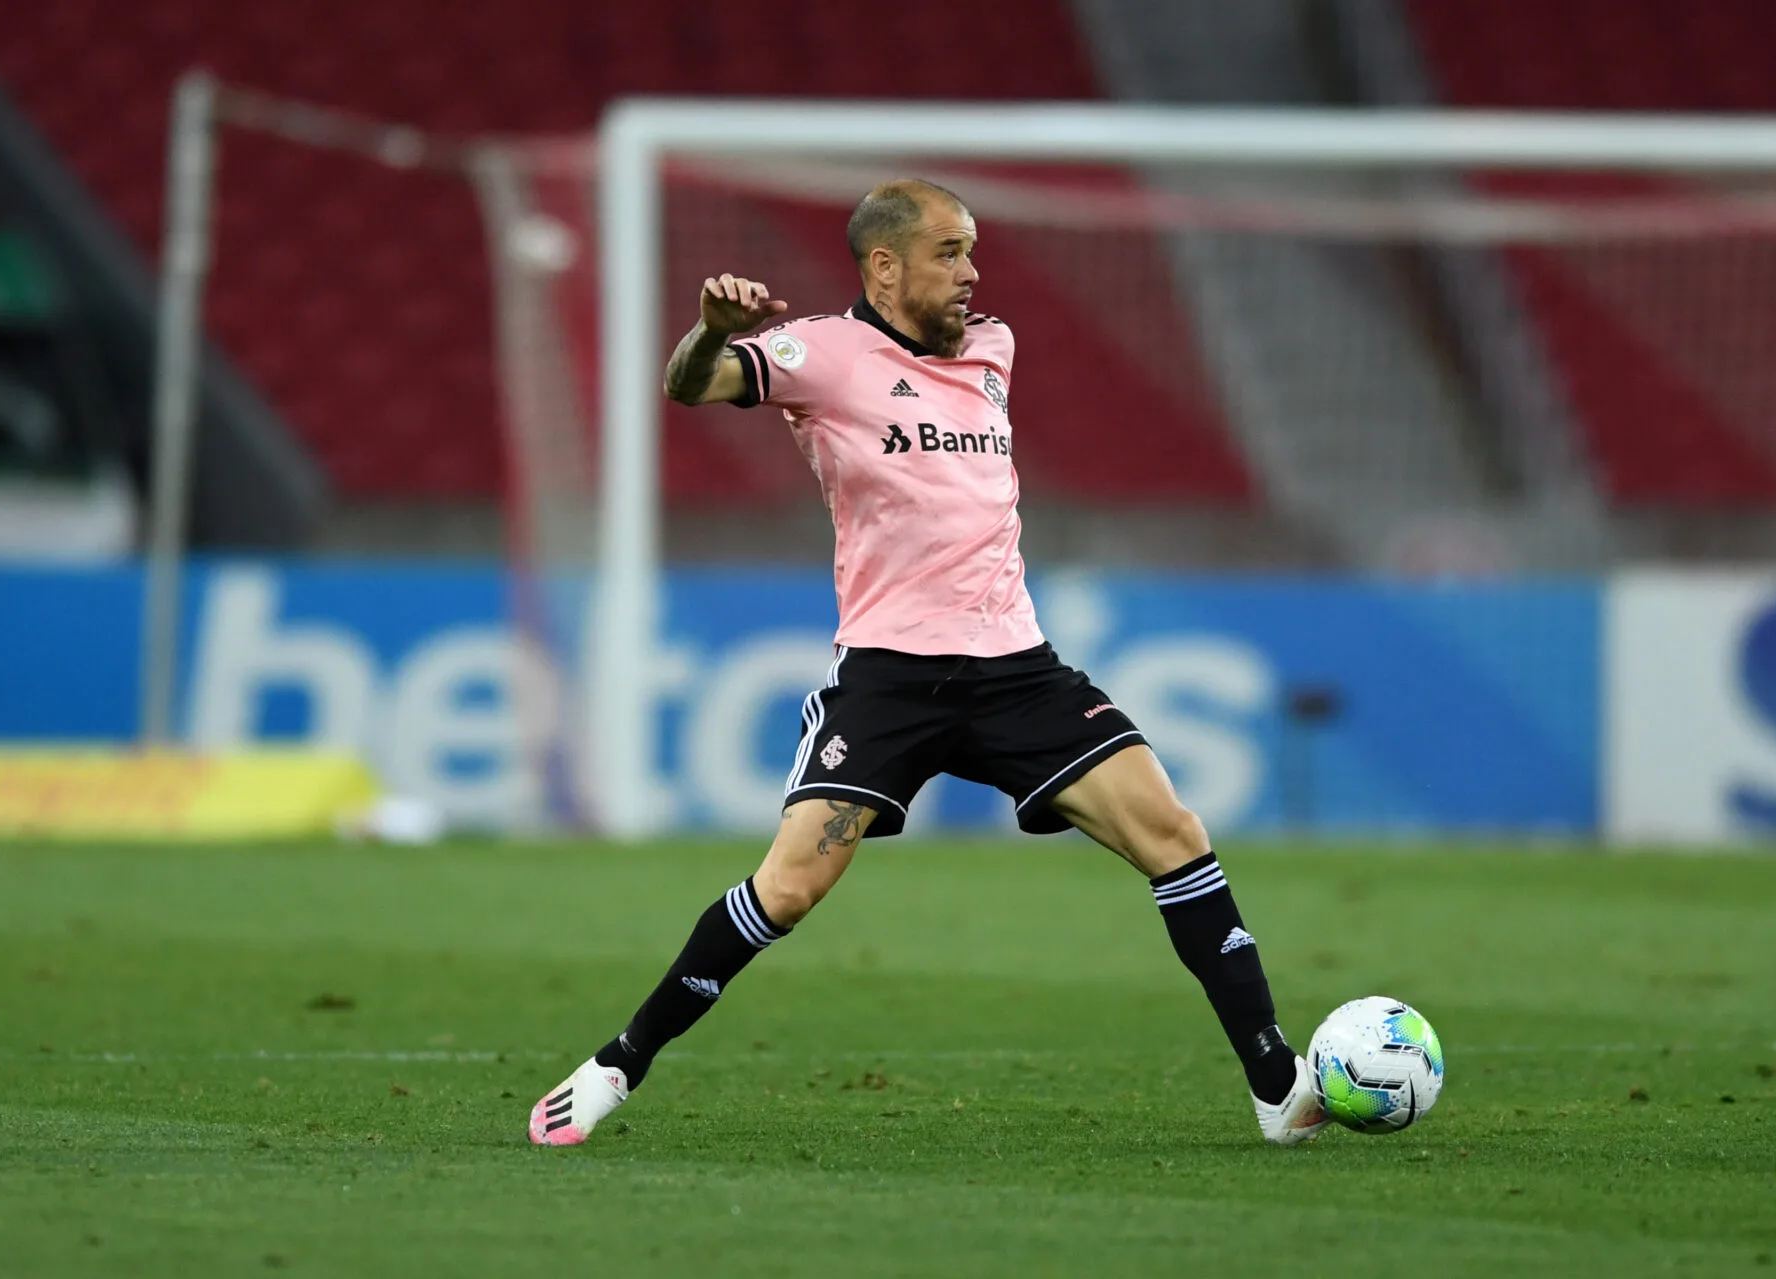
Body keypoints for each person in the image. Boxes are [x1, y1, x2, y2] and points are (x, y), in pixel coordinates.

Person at [529, 179, 1330, 1148]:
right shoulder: (822, 355)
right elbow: (692, 384)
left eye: (971, 250)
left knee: (1175, 833)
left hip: (1017, 669)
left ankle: (1279, 1086)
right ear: (884, 266)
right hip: (891, 678)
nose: (971, 271)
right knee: (788, 888)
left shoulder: (993, 347)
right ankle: (618, 1063)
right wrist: (710, 333)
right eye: (949, 252)